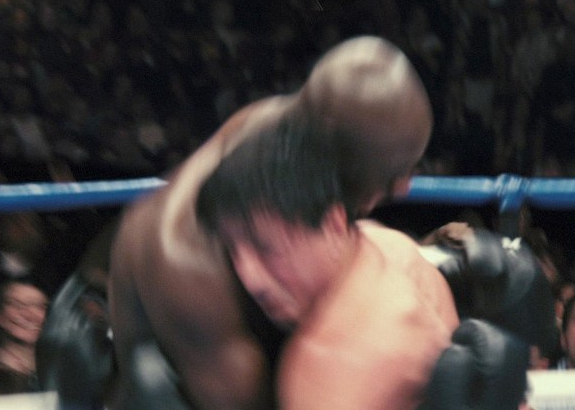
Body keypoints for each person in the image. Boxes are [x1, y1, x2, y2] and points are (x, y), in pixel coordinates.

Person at [105, 35, 436, 410]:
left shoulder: (288, 124)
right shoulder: (192, 270)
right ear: (338, 161)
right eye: (392, 174)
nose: (404, 188)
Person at [195, 111, 527, 410]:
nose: (250, 278)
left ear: (333, 225)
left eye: (266, 248)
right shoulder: (391, 245)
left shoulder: (325, 368)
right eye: (233, 251)